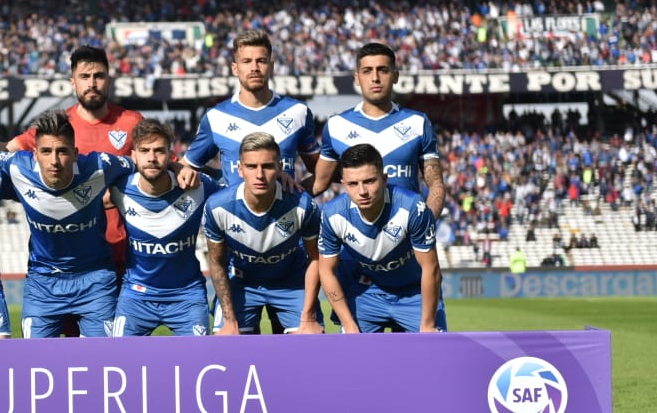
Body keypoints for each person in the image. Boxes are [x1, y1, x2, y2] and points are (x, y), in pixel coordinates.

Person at [310, 42, 445, 326]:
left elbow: (436, 185)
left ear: (395, 75)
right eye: (367, 71)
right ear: (356, 78)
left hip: (407, 254)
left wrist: (422, 224)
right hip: (359, 262)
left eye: (383, 70)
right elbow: (318, 183)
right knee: (359, 363)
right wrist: (279, 185)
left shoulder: (418, 123)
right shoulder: (336, 126)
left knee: (425, 358)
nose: (375, 78)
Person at [0, 109, 135, 338]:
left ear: (75, 153)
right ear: (34, 154)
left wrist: (178, 167)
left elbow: (143, 164)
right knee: (35, 363)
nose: (54, 161)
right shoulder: (17, 166)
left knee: (104, 360)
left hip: (95, 281)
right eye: (46, 151)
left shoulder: (99, 166)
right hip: (43, 282)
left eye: (62, 151)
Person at [202, 132, 323, 335]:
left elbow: (316, 258)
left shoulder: (303, 205)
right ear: (240, 169)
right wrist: (230, 321)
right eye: (251, 166)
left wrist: (309, 315)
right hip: (242, 282)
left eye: (267, 166)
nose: (259, 174)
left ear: (279, 168)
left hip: (291, 282)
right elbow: (217, 262)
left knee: (310, 341)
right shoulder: (218, 207)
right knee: (228, 345)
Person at [317, 143, 444, 334]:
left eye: (369, 181)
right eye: (353, 184)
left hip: (415, 293)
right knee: (353, 357)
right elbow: (326, 271)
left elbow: (431, 268)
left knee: (432, 355)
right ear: (344, 184)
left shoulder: (412, 207)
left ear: (384, 179)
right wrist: (349, 324)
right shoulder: (331, 214)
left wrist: (426, 325)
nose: (362, 191)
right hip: (368, 293)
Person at [108, 119, 212, 337]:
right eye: (144, 151)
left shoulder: (197, 186)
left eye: (159, 151)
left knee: (200, 361)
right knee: (118, 360)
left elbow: (239, 193)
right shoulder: (119, 189)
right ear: (133, 155)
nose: (152, 158)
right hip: (136, 296)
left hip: (187, 296)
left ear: (170, 155)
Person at [180, 28, 320, 187]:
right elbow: (186, 166)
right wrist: (217, 193)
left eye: (261, 61)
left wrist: (298, 198)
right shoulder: (216, 117)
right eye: (246, 61)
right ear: (235, 68)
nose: (254, 67)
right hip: (234, 212)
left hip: (286, 211)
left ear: (271, 66)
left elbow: (322, 173)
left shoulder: (298, 112)